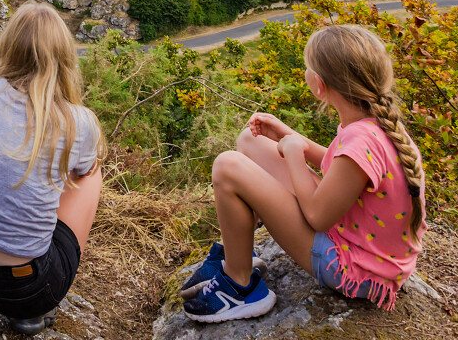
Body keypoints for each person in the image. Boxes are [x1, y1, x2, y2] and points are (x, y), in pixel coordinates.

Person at [182, 24, 427, 323]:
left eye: (308, 66)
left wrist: (295, 152)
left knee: (227, 166)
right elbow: (343, 170)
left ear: (319, 84)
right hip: (356, 241)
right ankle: (238, 251)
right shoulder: (371, 123)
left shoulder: (361, 139)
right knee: (251, 140)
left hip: (351, 269)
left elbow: (317, 217)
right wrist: (290, 137)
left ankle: (239, 286)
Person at [0, 2, 105, 336]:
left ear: (9, 46)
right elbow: (80, 173)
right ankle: (37, 311)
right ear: (63, 57)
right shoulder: (78, 121)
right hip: (27, 289)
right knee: (91, 173)